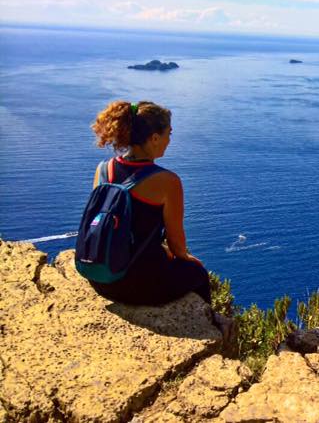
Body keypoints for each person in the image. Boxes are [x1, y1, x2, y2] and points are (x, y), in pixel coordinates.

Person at [88, 100, 232, 337]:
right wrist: (185, 258)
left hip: (99, 278)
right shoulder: (167, 181)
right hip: (133, 284)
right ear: (154, 138)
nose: (169, 140)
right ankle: (211, 327)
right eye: (168, 134)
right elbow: (177, 244)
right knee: (197, 274)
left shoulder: (103, 169)